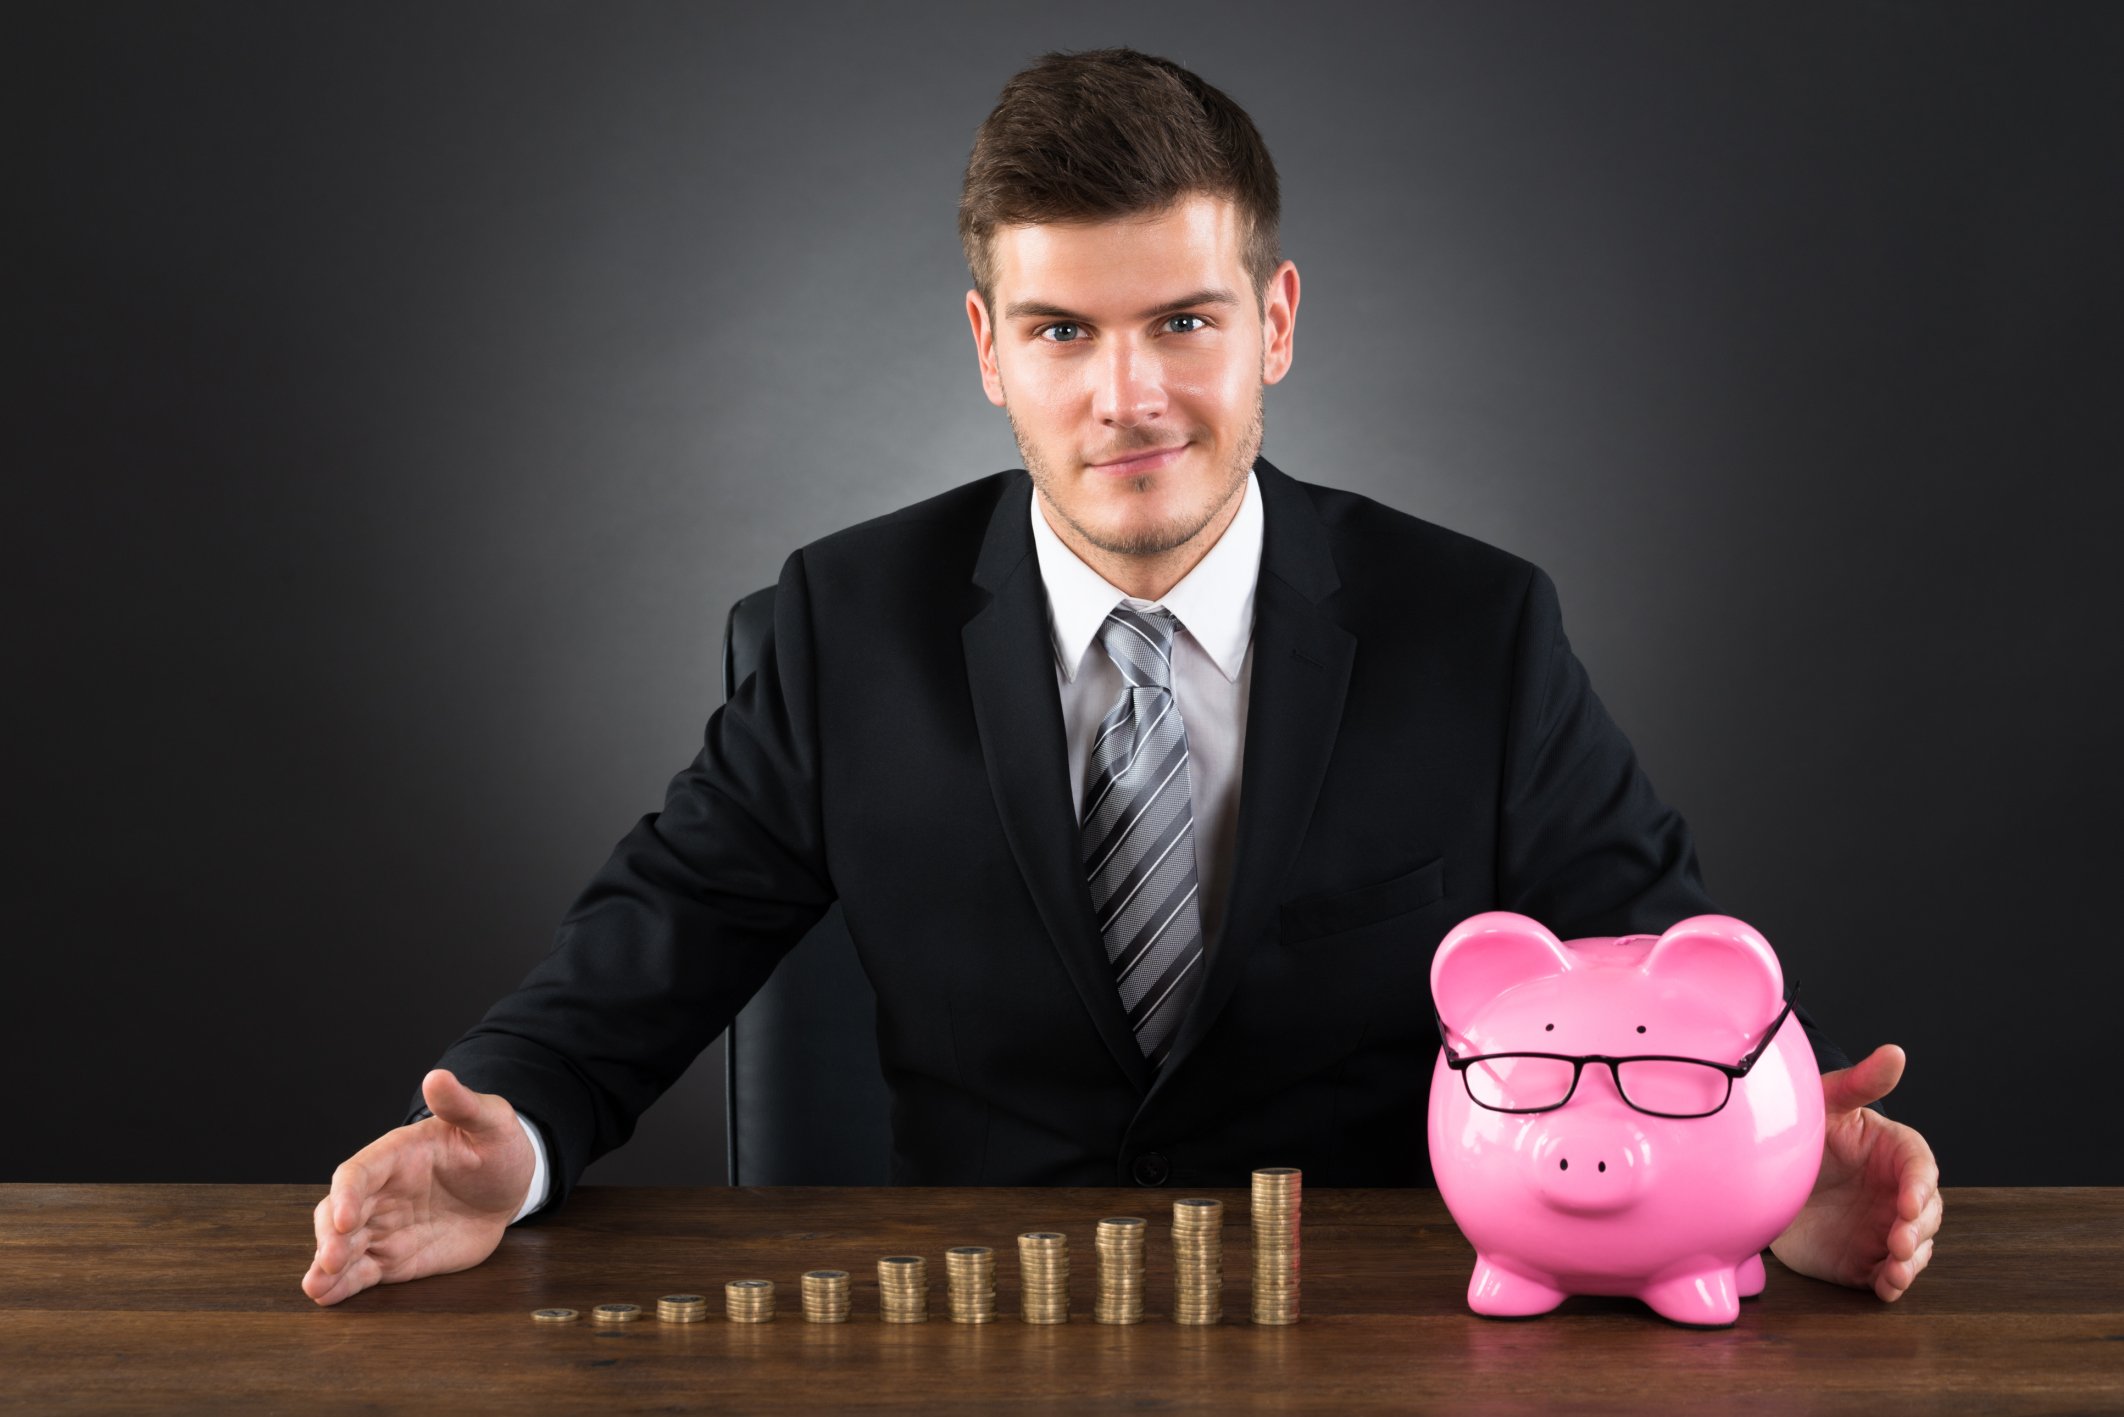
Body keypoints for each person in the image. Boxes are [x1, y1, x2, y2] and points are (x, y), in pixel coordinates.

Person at [304, 47, 1940, 1310]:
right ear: (988, 348)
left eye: (1184, 319)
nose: (1131, 396)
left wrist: (1773, 1184)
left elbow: (1672, 993)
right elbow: (638, 964)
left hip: (1385, 1342)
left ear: (1276, 322)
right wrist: (502, 1150)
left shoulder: (1478, 630)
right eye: (1066, 332)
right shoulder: (840, 622)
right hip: (971, 1343)